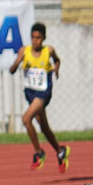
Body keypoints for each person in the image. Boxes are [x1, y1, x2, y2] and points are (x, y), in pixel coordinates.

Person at [9, 22, 69, 172]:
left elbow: (57, 60)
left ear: (43, 38)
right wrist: (18, 60)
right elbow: (11, 70)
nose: (35, 41)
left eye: (38, 38)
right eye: (33, 37)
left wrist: (56, 69)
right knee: (44, 127)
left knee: (26, 119)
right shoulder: (24, 51)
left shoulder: (48, 51)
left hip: (43, 93)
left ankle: (38, 152)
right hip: (30, 93)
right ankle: (60, 151)